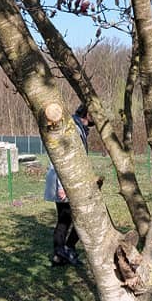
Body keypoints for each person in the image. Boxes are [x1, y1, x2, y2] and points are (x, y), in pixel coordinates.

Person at [44, 104, 94, 266]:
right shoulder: (73, 130)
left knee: (66, 220)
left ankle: (61, 254)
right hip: (64, 181)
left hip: (68, 181)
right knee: (75, 218)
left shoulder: (78, 128)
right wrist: (61, 187)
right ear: (87, 114)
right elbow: (63, 159)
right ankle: (66, 251)